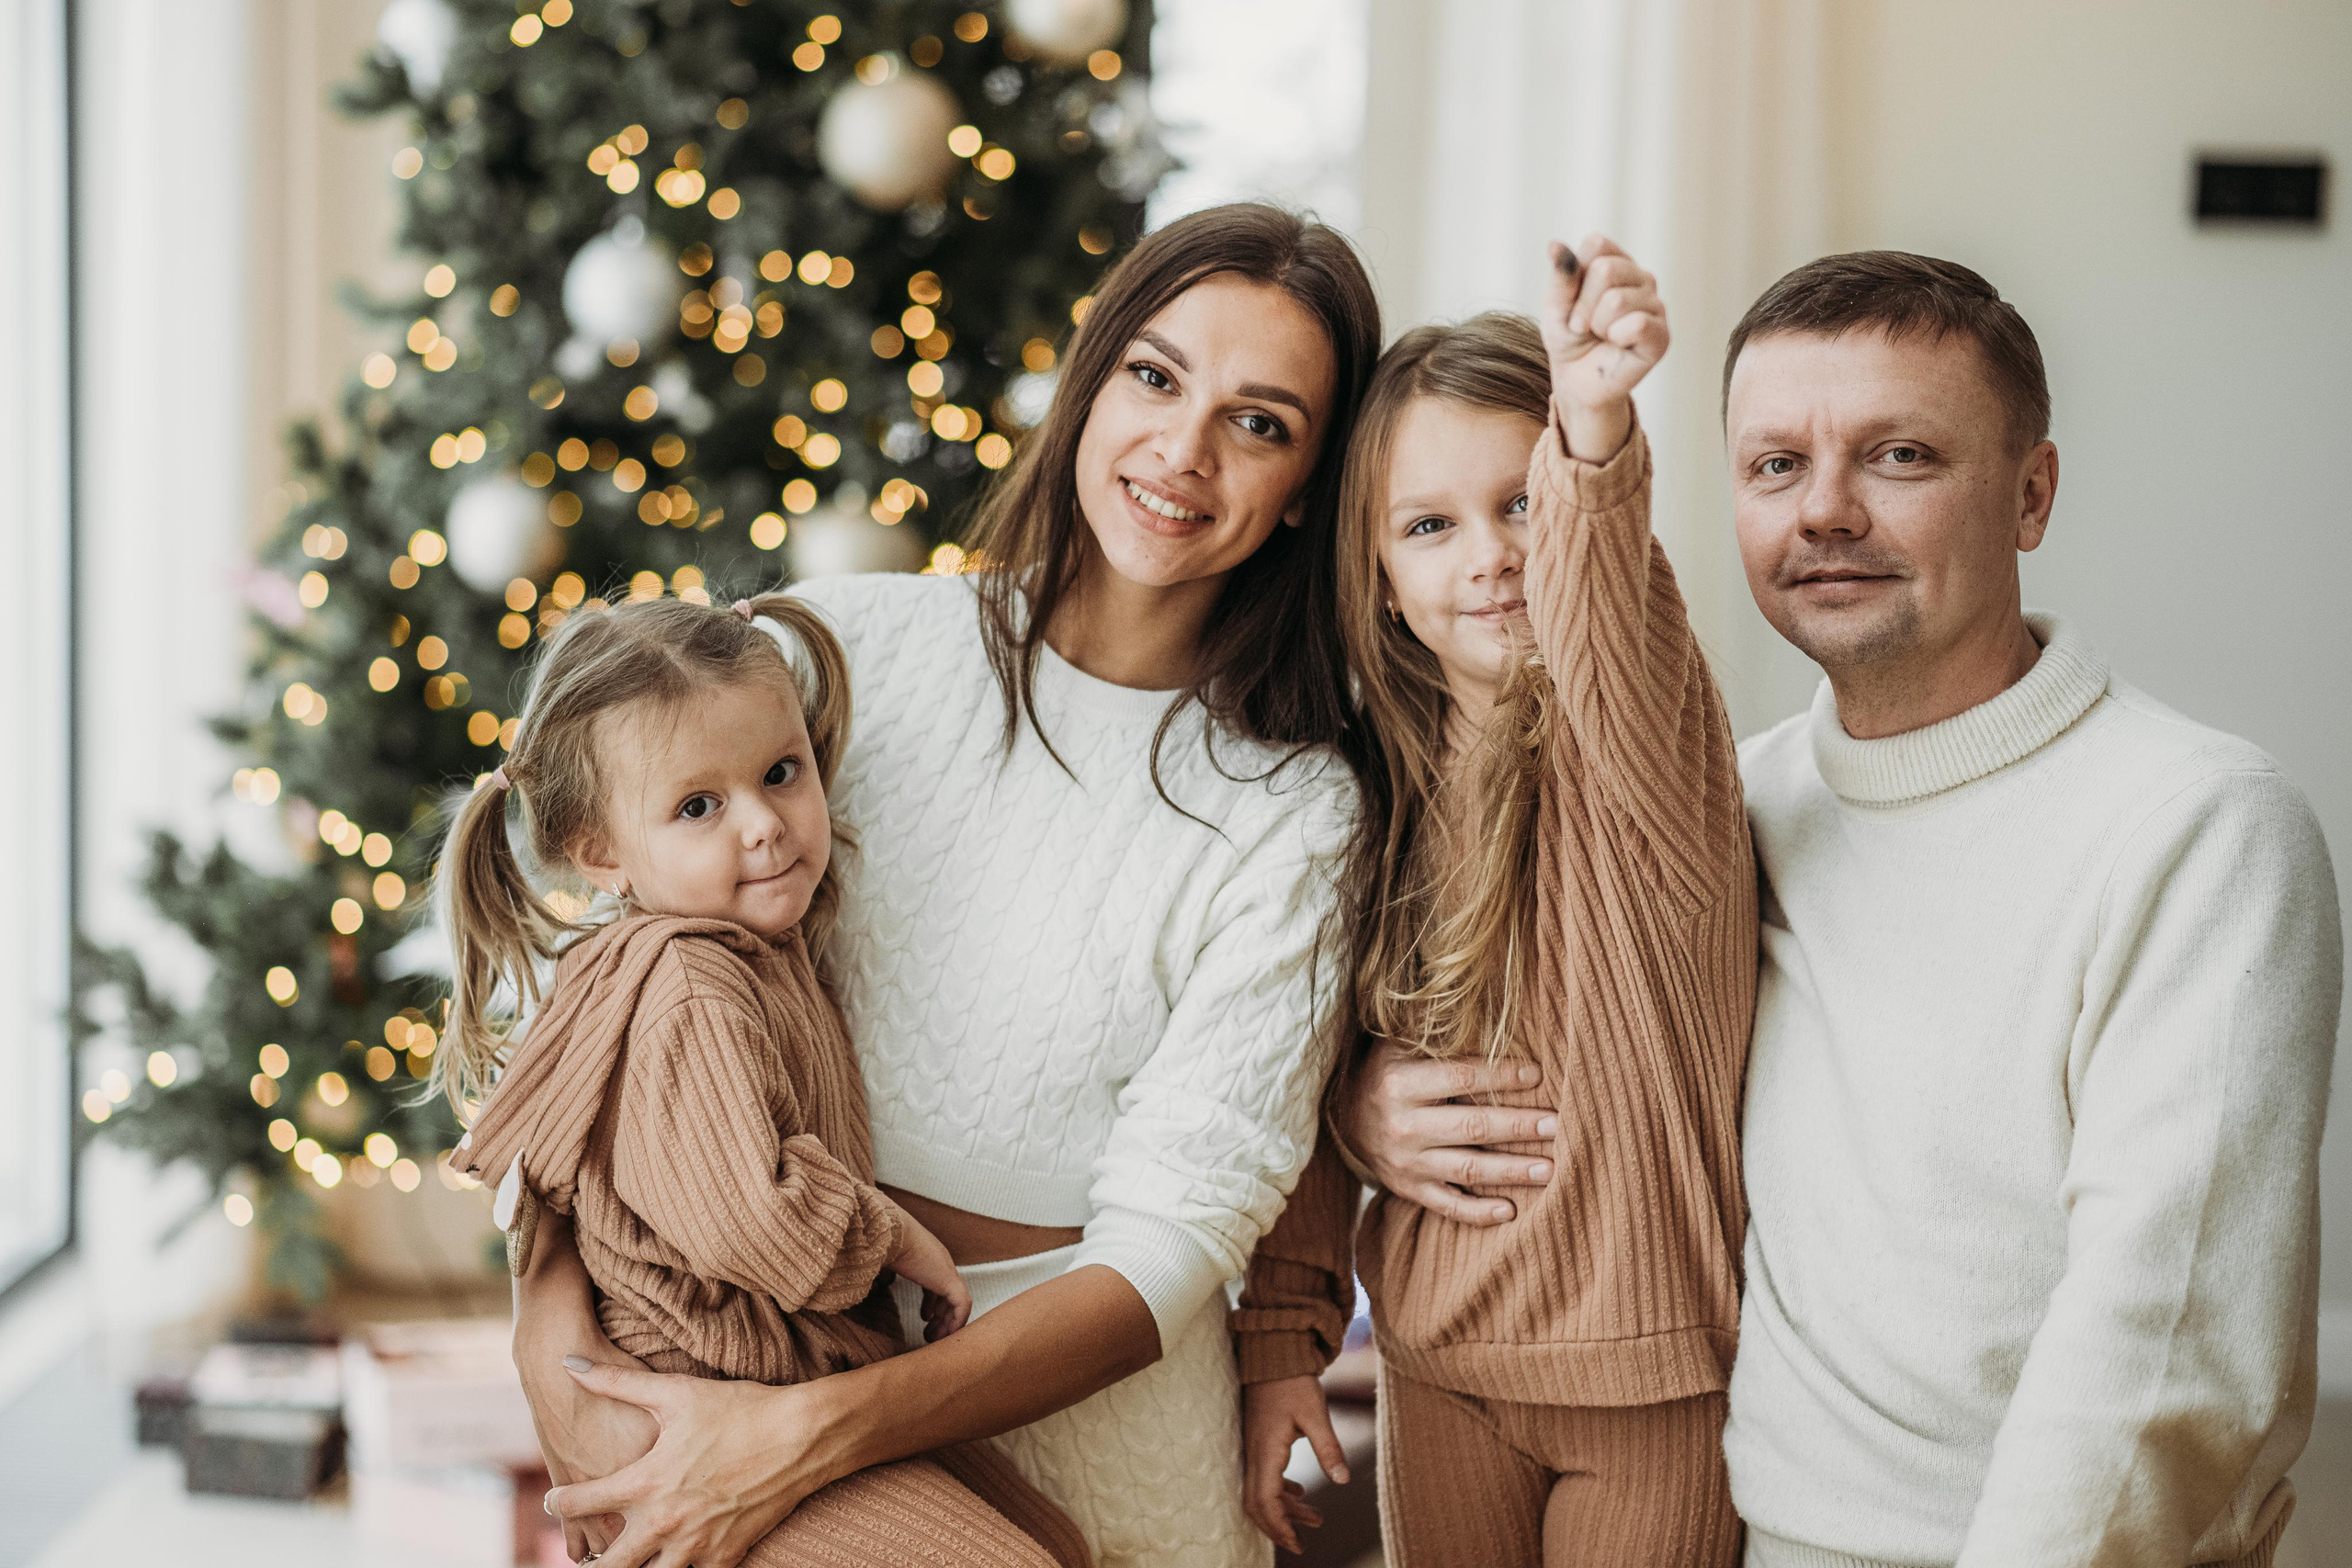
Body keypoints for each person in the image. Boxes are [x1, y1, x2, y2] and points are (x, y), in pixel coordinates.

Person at [510, 203, 1381, 1568]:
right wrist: (560, 1348)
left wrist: (809, 1433)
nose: (1183, 451)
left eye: (1260, 422)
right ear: (1091, 380)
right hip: (750, 1382)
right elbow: (615, 996)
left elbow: (1168, 1244)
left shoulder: (1298, 809)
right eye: (1155, 377)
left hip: (1100, 1440)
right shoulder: (843, 645)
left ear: (1310, 484)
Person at [1718, 252, 2339, 1566]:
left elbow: (2168, 1341)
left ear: (2031, 493)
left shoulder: (2201, 822)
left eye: (1898, 456)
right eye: (1776, 465)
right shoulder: (1739, 807)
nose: (1823, 511)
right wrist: (1378, 1108)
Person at [1232, 240, 1752, 1568]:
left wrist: (1586, 427)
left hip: (1652, 1385)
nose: (1491, 555)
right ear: (1383, 578)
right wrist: (1287, 1336)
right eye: (1430, 524)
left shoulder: (1647, 747)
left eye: (1520, 503)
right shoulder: (1353, 800)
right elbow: (1294, 1077)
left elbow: (1603, 607)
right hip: (1435, 1366)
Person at [437, 593, 1088, 1568]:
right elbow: (755, 1221)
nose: (765, 826)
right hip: (699, 1402)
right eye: (698, 806)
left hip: (785, 1380)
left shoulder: (756, 950)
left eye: (780, 773)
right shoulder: (690, 984)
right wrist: (891, 1231)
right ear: (603, 853)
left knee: (1061, 1547)